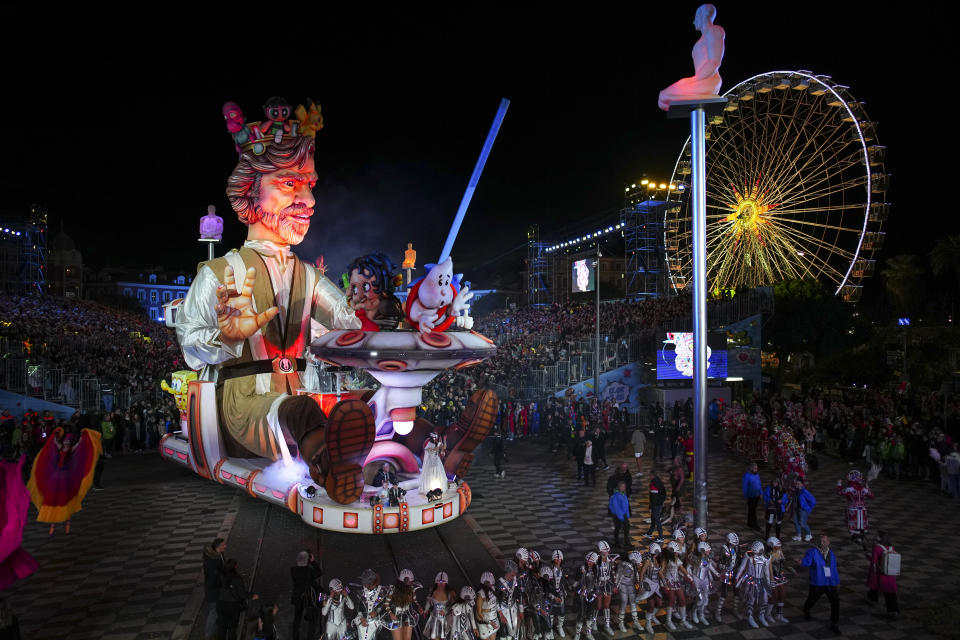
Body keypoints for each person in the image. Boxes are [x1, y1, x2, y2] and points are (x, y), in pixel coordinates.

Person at [175, 98, 375, 505]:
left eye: (308, 185)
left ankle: (432, 444)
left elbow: (350, 326)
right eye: (289, 184)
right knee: (300, 412)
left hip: (300, 399)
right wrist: (228, 338)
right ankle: (334, 469)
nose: (309, 200)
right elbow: (191, 346)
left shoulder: (309, 276)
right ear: (250, 192)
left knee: (362, 403)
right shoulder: (217, 274)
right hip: (244, 408)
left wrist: (380, 313)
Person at [26, 427, 102, 536]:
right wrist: (55, 433)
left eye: (68, 441)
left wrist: (82, 437)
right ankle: (54, 525)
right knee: (55, 497)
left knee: (65, 498)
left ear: (70, 442)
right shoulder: (61, 447)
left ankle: (66, 525)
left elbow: (79, 445)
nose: (66, 442)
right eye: (65, 441)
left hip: (65, 477)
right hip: (57, 476)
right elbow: (54, 442)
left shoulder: (70, 449)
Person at [798, 533, 841, 635]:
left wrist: (837, 582)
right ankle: (806, 610)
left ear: (828, 542)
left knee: (835, 602)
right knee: (812, 599)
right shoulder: (813, 552)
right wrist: (801, 562)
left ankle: (834, 623)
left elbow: (834, 569)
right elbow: (807, 562)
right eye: (821, 541)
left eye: (824, 541)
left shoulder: (832, 554)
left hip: (830, 583)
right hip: (818, 582)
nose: (822, 543)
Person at [217, 559, 259, 640]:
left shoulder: (220, 575)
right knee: (232, 627)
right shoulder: (237, 579)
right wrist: (252, 596)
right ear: (235, 566)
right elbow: (242, 593)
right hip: (233, 606)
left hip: (221, 603)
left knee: (222, 626)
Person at [865, 531, 899, 619]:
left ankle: (873, 600)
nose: (876, 537)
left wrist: (867, 556)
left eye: (878, 536)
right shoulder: (891, 548)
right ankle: (894, 610)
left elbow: (874, 562)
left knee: (875, 587)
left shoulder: (877, 548)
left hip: (881, 574)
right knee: (891, 593)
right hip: (891, 574)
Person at [736, 541, 769, 628]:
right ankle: (750, 616)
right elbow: (742, 566)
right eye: (753, 552)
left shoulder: (766, 558)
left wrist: (769, 581)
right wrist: (737, 576)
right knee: (751, 598)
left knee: (764, 598)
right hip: (751, 579)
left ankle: (761, 615)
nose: (754, 554)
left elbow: (767, 571)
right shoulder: (748, 555)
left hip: (761, 580)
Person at [290, 550, 322, 640]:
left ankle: (295, 638)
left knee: (297, 619)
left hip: (297, 597)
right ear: (307, 560)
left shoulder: (293, 570)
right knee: (312, 621)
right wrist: (313, 562)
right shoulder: (309, 571)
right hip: (308, 598)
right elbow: (319, 572)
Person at [836, 470, 874, 540]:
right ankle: (861, 535)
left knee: (853, 524)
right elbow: (871, 495)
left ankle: (855, 536)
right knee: (861, 524)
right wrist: (867, 487)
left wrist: (839, 484)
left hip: (852, 509)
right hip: (862, 509)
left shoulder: (849, 489)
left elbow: (839, 492)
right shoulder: (864, 489)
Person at [202, 538, 227, 640]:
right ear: (218, 547)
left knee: (217, 611)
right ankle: (208, 635)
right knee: (213, 612)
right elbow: (212, 579)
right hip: (213, 591)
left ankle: (218, 630)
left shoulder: (220, 555)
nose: (225, 546)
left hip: (217, 590)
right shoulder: (212, 562)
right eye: (223, 545)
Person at [385, 569, 419, 640]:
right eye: (409, 582)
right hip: (396, 616)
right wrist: (391, 614)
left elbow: (415, 601)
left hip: (407, 616)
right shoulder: (393, 590)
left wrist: (419, 607)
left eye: (411, 582)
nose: (410, 584)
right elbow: (386, 603)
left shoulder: (412, 589)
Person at [424, 572, 451, 640]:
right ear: (436, 582)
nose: (441, 584)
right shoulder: (432, 591)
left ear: (446, 582)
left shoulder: (449, 593)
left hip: (445, 620)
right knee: (433, 636)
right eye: (439, 582)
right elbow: (429, 602)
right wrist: (426, 610)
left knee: (443, 637)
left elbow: (452, 606)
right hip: (434, 618)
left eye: (443, 582)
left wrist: (445, 611)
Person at [475, 571, 500, 640]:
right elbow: (479, 613)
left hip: (493, 621)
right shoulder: (480, 595)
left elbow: (496, 603)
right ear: (486, 583)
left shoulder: (492, 590)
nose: (492, 585)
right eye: (491, 584)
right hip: (484, 624)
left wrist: (500, 613)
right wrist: (489, 622)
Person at [609, 482, 631, 550]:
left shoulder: (624, 494)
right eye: (622, 486)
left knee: (627, 527)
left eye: (624, 486)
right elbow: (616, 507)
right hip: (617, 515)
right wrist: (620, 517)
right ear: (619, 487)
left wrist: (627, 514)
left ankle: (626, 542)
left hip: (623, 514)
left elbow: (626, 505)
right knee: (617, 528)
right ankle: (617, 542)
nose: (623, 488)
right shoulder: (615, 495)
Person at [645, 471, 666, 541]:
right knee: (653, 518)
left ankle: (661, 537)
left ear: (652, 475)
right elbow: (663, 493)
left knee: (656, 519)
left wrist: (650, 506)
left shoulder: (654, 483)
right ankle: (649, 533)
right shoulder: (659, 482)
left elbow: (653, 497)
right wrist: (662, 501)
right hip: (658, 503)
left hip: (656, 504)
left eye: (649, 475)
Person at [742, 463, 762, 530]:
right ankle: (755, 524)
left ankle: (750, 522)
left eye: (756, 468)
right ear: (751, 468)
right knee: (752, 510)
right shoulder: (747, 476)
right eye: (754, 468)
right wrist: (745, 496)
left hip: (757, 495)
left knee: (752, 509)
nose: (756, 469)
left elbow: (759, 484)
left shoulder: (757, 475)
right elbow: (745, 487)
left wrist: (761, 493)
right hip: (750, 496)